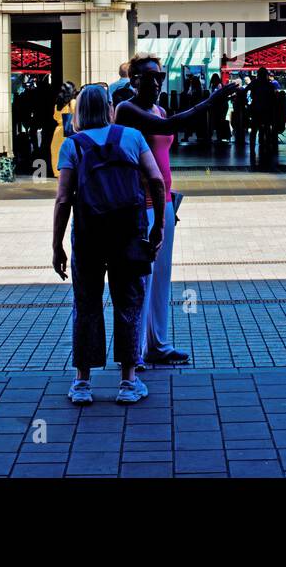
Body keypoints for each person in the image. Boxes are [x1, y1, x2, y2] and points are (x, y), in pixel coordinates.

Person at [117, 53, 236, 367]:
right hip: (141, 205)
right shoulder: (126, 109)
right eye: (149, 77)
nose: (156, 83)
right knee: (143, 275)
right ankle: (135, 349)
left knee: (162, 277)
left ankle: (157, 344)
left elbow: (165, 138)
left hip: (164, 202)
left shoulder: (158, 107)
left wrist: (170, 202)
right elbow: (168, 125)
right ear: (133, 81)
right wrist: (212, 99)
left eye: (160, 76)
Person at [52, 84, 166, 405]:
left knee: (86, 302)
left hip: (88, 234)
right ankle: (128, 382)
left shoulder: (72, 145)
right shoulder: (131, 137)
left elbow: (64, 199)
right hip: (129, 232)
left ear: (79, 112)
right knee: (128, 301)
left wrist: (57, 245)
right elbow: (156, 180)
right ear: (109, 108)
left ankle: (82, 383)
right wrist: (157, 225)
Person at [49, 82, 77, 177]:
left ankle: (58, 173)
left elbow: (55, 117)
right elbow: (75, 114)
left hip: (58, 131)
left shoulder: (58, 104)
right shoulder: (72, 102)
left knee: (57, 152)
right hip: (69, 130)